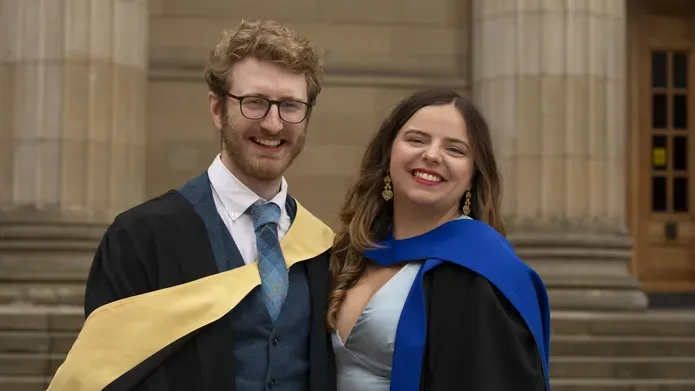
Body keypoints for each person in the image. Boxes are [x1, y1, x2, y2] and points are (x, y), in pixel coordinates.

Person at [47, 19, 336, 391]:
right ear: (217, 109)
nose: (273, 124)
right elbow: (109, 375)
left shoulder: (323, 249)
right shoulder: (141, 236)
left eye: (291, 106)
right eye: (255, 103)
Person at [327, 88, 551, 391]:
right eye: (416, 139)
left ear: (473, 174)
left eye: (455, 150)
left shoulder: (483, 274)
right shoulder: (350, 252)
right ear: (389, 152)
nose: (431, 155)